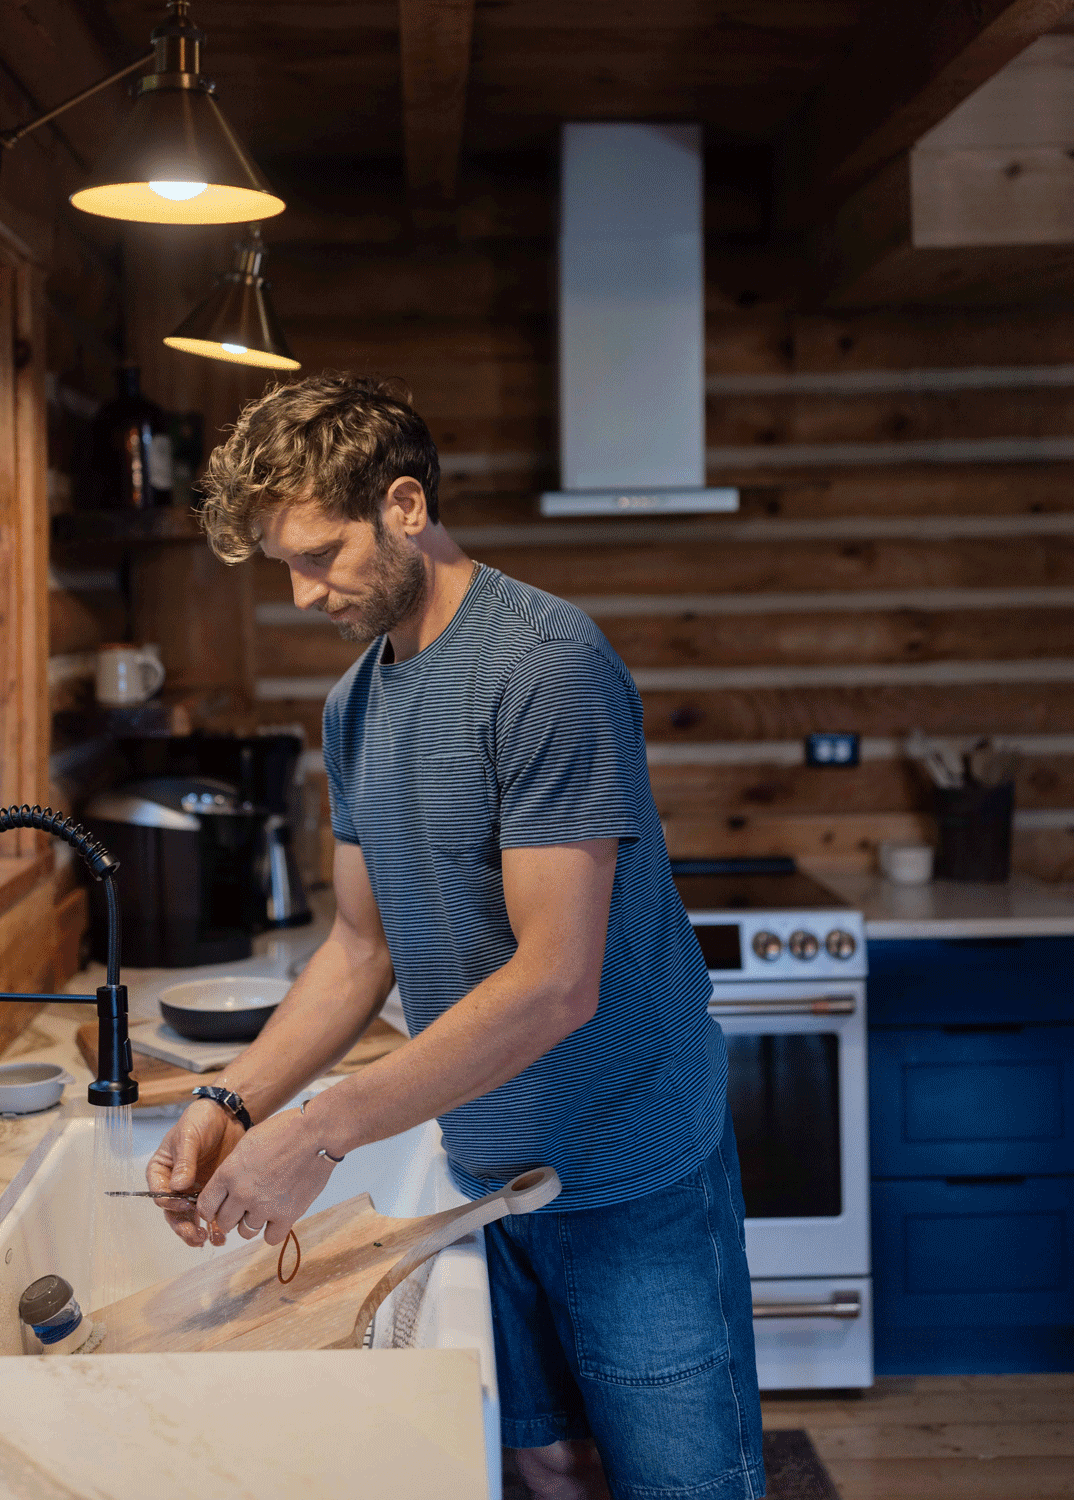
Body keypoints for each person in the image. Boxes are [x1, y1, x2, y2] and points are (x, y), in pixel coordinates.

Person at [147, 373, 764, 1500]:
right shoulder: (354, 706)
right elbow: (356, 950)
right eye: (282, 564)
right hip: (485, 1178)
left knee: (686, 1488)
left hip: (628, 1177)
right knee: (545, 1472)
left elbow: (553, 984)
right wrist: (229, 1103)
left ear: (403, 506)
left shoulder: (543, 663)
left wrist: (320, 1131)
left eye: (318, 554)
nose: (299, 592)